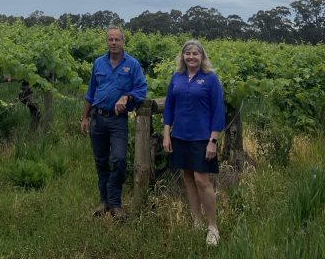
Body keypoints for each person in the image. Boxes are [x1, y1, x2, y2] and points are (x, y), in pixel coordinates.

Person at [81, 26, 147, 220]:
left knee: (118, 160)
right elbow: (90, 92)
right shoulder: (98, 63)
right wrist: (85, 117)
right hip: (97, 118)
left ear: (123, 41)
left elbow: (141, 89)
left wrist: (126, 97)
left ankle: (115, 203)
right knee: (101, 161)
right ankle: (104, 202)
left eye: (117, 39)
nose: (114, 43)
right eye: (110, 40)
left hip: (118, 120)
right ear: (106, 42)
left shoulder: (132, 64)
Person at [162, 39, 225, 246]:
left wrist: (213, 141)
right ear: (183, 57)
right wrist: (166, 133)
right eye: (187, 53)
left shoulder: (210, 79)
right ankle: (196, 221)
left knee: (202, 180)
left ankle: (213, 227)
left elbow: (218, 111)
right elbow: (169, 107)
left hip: (202, 138)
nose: (191, 57)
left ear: (202, 57)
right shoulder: (177, 78)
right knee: (188, 177)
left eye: (195, 54)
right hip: (180, 135)